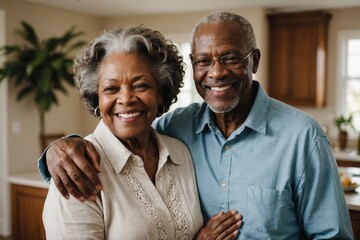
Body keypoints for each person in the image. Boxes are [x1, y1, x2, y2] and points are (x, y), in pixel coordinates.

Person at [38, 12, 354, 239]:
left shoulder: (302, 137)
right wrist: (57, 149)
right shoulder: (176, 130)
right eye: (203, 61)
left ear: (253, 61)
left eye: (231, 57)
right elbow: (118, 134)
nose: (216, 73)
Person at [42, 24, 242, 239]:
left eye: (141, 85)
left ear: (161, 94)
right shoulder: (76, 172)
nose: (126, 98)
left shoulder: (180, 153)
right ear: (96, 99)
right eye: (111, 88)